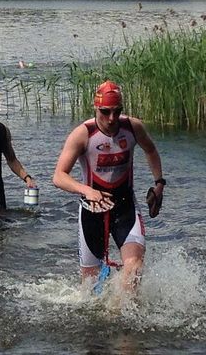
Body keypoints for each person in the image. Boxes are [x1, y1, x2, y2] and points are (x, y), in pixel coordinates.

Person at [53, 80, 165, 292]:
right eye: (105, 112)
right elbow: (59, 176)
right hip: (91, 210)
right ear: (96, 108)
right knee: (89, 288)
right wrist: (88, 191)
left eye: (117, 111)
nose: (112, 118)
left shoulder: (132, 127)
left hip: (125, 207)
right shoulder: (83, 134)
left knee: (134, 269)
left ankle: (122, 318)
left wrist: (159, 183)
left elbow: (151, 150)